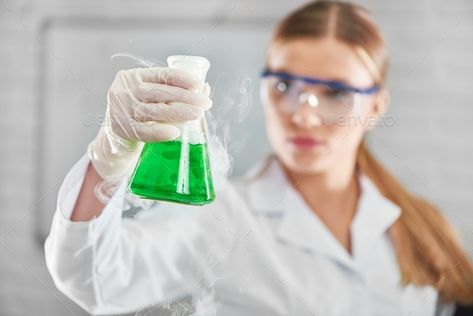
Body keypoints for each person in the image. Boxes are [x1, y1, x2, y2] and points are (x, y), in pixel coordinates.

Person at [44, 1, 473, 315]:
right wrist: (110, 153)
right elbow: (93, 278)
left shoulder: (421, 227)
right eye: (284, 85)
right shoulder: (220, 219)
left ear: (376, 107)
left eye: (336, 93)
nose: (304, 113)